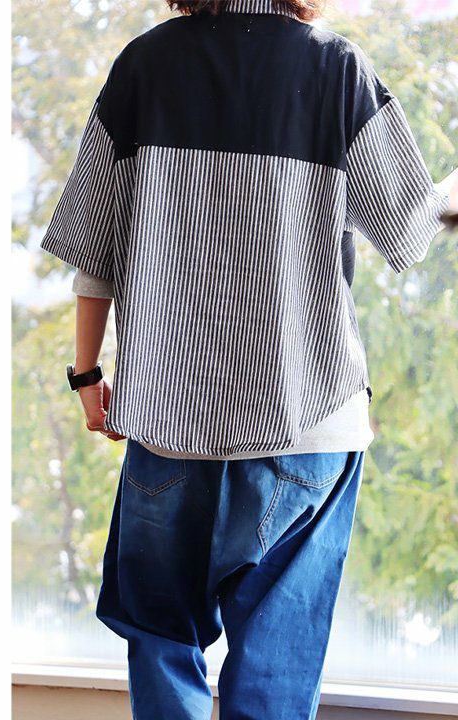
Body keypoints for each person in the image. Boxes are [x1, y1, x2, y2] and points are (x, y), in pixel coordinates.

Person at [39, 0, 458, 717]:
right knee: (275, 672)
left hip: (168, 423)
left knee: (161, 640)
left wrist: (87, 376)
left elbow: (95, 249)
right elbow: (407, 232)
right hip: (310, 424)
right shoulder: (337, 68)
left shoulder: (145, 64)